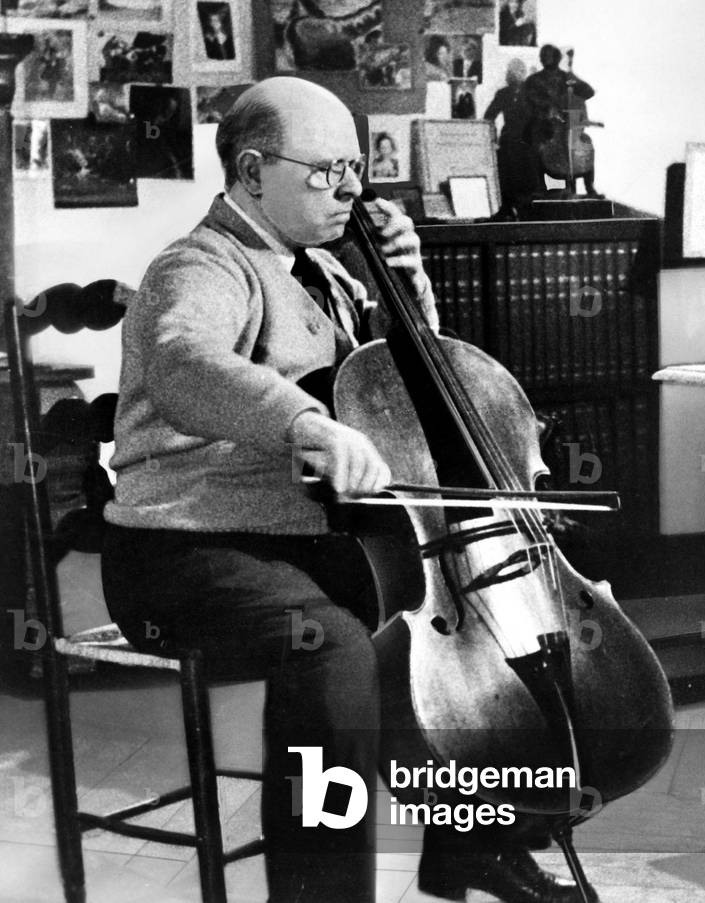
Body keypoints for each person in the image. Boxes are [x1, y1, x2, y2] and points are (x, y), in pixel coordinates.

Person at [101, 76, 596, 903]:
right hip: (182, 547)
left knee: (465, 636)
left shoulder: (326, 270)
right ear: (254, 172)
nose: (353, 189)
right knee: (326, 645)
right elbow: (187, 361)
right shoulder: (199, 265)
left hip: (303, 540)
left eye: (356, 167)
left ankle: (472, 841)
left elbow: (401, 389)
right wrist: (306, 424)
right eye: (328, 170)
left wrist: (411, 284)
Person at [524, 45, 599, 197]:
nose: (545, 58)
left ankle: (589, 187)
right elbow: (531, 101)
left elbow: (588, 92)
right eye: (543, 55)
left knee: (586, 144)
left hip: (567, 126)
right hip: (546, 125)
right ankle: (540, 187)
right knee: (537, 144)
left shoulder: (566, 77)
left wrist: (572, 75)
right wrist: (548, 108)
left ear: (557, 58)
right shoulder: (534, 80)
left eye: (549, 55)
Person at [484, 58, 540, 216]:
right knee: (506, 177)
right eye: (513, 71)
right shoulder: (502, 93)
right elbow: (489, 117)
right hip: (508, 141)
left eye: (521, 71)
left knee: (528, 178)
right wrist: (492, 139)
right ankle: (507, 209)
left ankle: (526, 211)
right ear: (509, 74)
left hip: (527, 142)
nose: (517, 74)